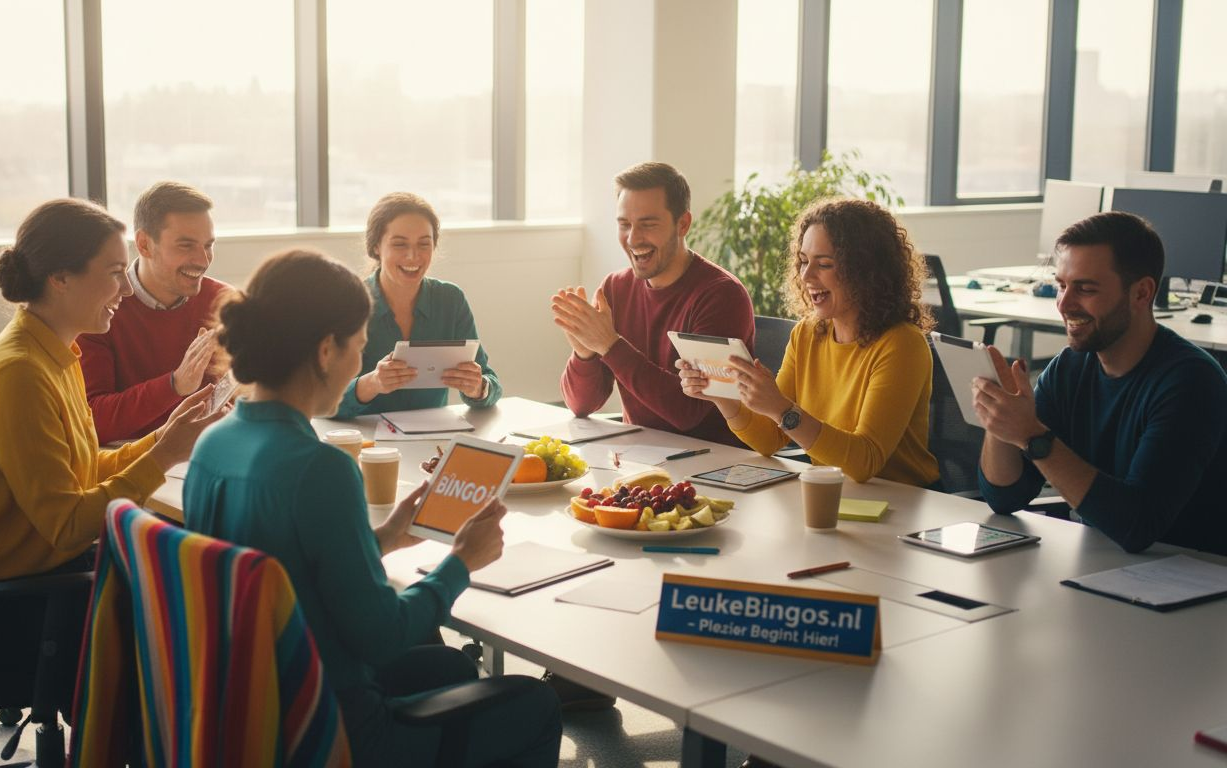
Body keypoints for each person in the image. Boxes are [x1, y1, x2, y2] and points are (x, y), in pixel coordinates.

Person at [185, 250, 561, 766]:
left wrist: (383, 538)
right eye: (360, 347)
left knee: (451, 668)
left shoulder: (213, 444)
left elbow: (290, 563)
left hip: (256, 703)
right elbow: (384, 637)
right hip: (332, 730)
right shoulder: (320, 468)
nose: (358, 364)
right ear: (325, 350)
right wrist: (461, 562)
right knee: (536, 702)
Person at [0, 198, 222, 711]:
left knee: (193, 574)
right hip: (13, 604)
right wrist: (162, 458)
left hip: (39, 570)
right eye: (113, 274)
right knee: (199, 611)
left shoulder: (54, 352)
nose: (125, 290)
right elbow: (68, 526)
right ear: (60, 278)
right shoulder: (20, 373)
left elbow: (83, 467)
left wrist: (165, 438)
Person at [974, 211, 1227, 555]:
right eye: (1062, 285)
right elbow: (1005, 497)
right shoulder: (1068, 369)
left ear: (1141, 293)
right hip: (1103, 563)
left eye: (1086, 289)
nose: (1064, 304)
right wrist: (1001, 421)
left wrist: (1032, 436)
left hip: (1193, 572)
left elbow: (1137, 525)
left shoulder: (1191, 382)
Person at [678, 198, 940, 487]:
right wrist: (721, 396)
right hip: (833, 492)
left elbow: (864, 462)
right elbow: (769, 440)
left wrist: (781, 409)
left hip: (904, 499)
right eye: (803, 261)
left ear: (866, 271)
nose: (806, 275)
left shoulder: (902, 344)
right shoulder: (808, 333)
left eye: (824, 264)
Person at [555, 161, 756, 447]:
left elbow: (688, 413)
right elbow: (581, 405)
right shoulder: (615, 288)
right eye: (624, 225)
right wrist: (584, 352)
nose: (633, 238)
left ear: (683, 224)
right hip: (638, 457)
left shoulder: (721, 295)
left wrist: (610, 345)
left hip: (713, 460)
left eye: (648, 225)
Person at [80, 181, 231, 443]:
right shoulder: (97, 309)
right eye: (186, 245)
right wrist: (175, 384)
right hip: (125, 458)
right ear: (144, 245)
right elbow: (92, 421)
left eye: (208, 245)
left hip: (207, 453)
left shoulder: (225, 303)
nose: (203, 260)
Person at [335, 192, 502, 418]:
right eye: (399, 244)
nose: (413, 256)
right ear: (376, 246)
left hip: (434, 436)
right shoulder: (348, 303)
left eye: (424, 244)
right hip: (366, 437)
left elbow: (490, 383)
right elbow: (322, 400)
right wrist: (372, 383)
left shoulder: (450, 299)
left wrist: (478, 388)